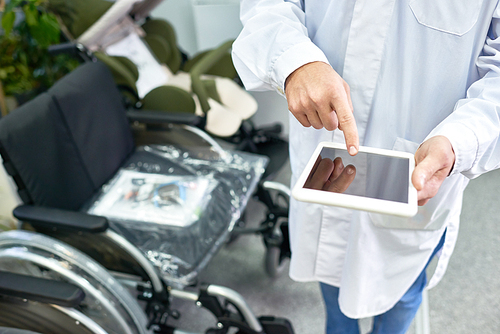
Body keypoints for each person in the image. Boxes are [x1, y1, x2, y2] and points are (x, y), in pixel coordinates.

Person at [232, 1, 500, 333]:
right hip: (324, 156)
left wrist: (461, 139)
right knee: (332, 283)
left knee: (401, 295)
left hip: (421, 165)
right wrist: (295, 61)